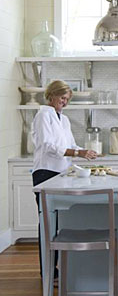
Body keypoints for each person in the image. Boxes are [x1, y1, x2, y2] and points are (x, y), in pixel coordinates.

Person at [32, 80, 97, 278]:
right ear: (52, 95)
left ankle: (56, 271)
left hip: (61, 173)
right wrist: (78, 153)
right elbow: (48, 145)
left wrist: (85, 152)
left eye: (67, 99)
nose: (65, 102)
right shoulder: (43, 114)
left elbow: (70, 144)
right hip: (45, 172)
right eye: (63, 98)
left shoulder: (64, 119)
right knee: (47, 222)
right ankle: (48, 272)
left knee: (59, 223)